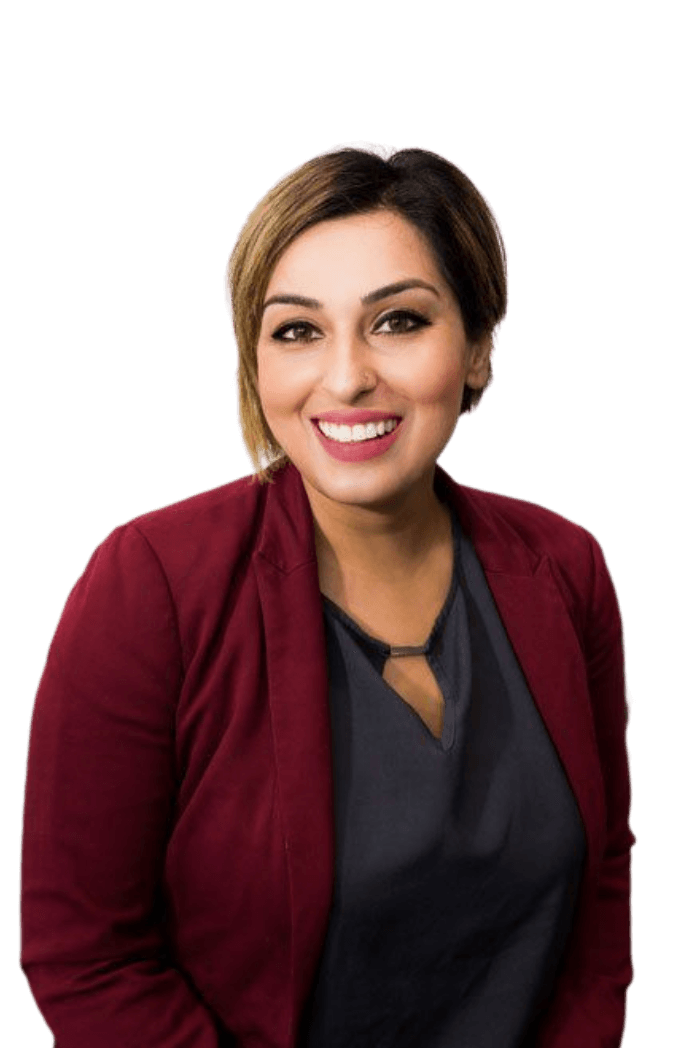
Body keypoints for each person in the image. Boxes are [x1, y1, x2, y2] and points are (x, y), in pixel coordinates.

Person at [19, 142, 635, 1048]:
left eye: (398, 322)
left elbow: (602, 896)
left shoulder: (566, 567)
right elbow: (85, 957)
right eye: (297, 330)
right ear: (254, 363)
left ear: (480, 344)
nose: (345, 377)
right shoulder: (149, 582)